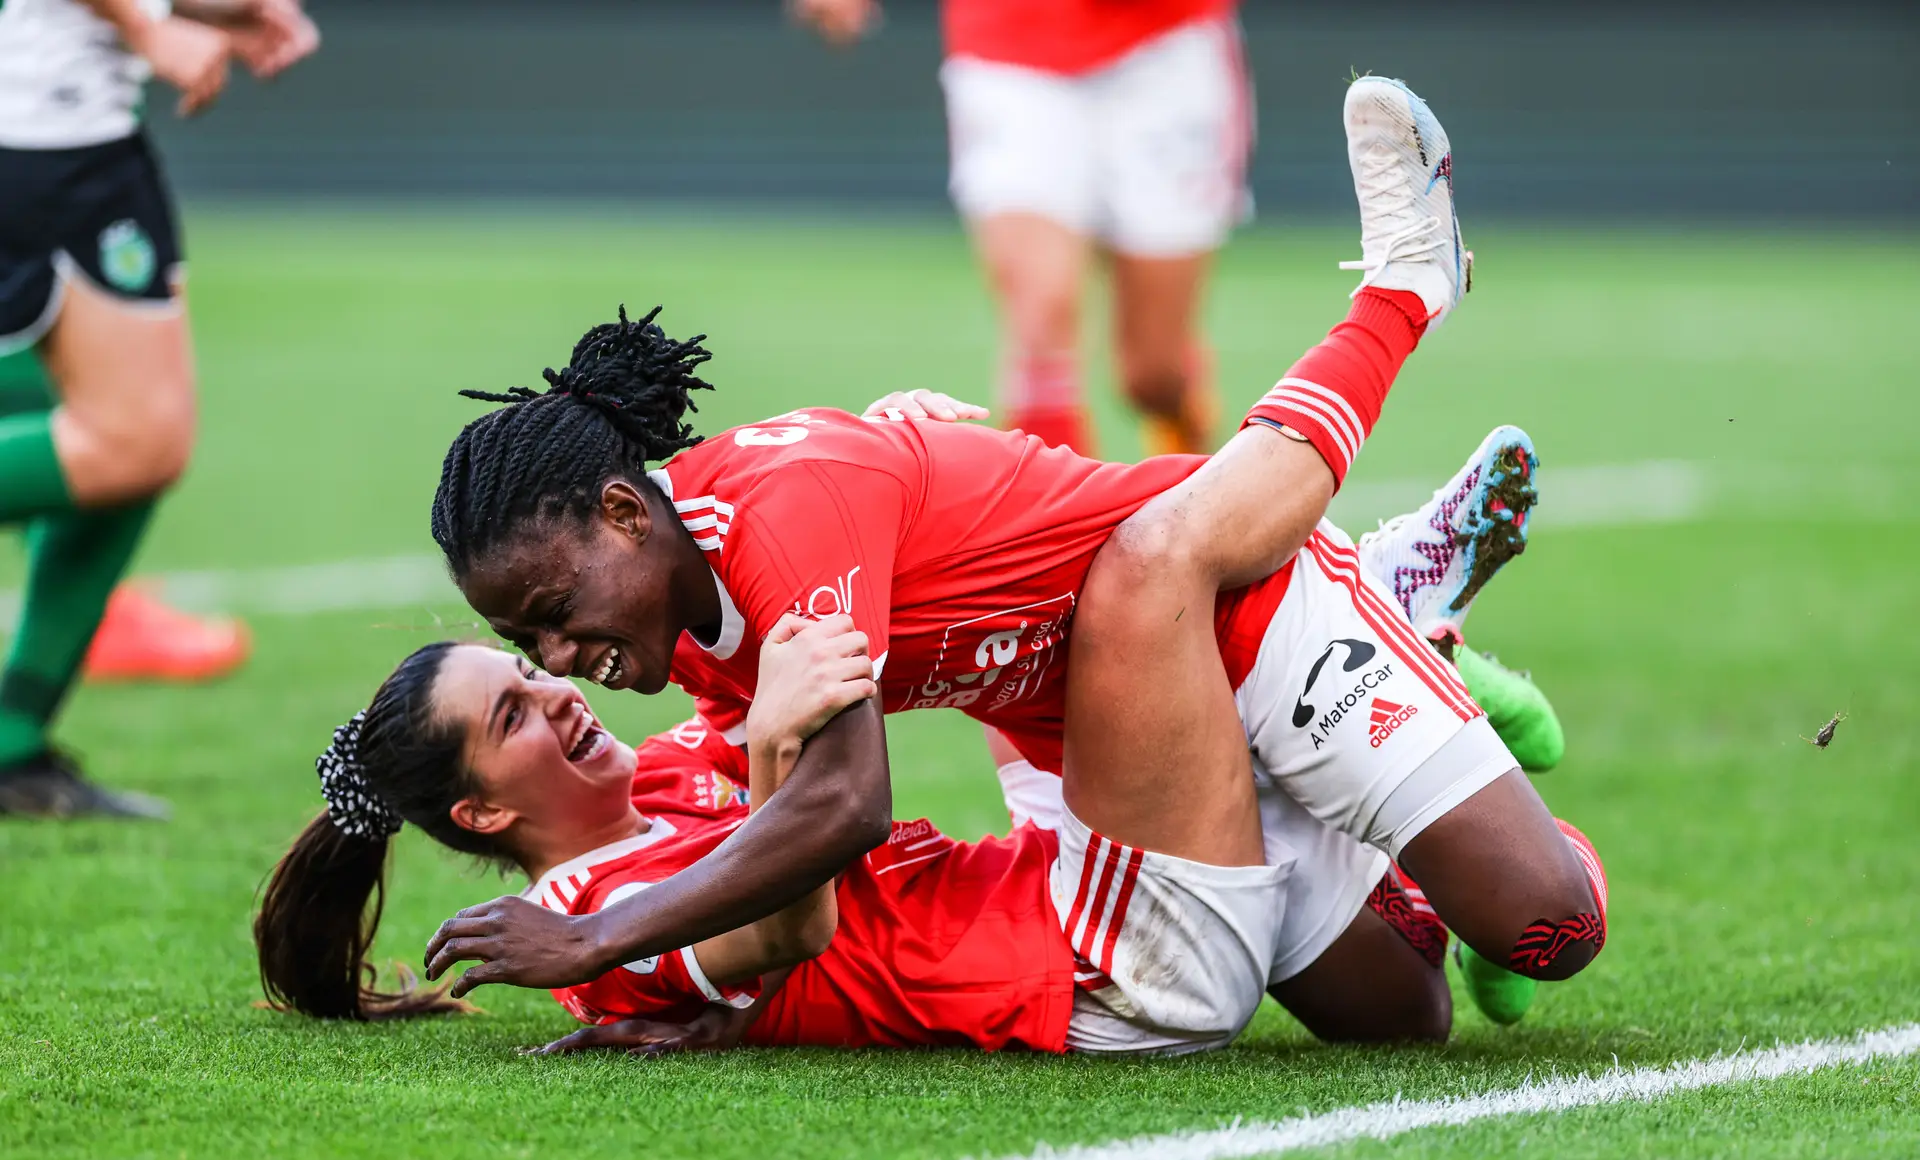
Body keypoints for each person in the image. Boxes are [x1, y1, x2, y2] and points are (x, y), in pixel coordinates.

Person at [419, 78, 1607, 1033]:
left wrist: (591, 938)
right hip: (1097, 719)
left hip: (1222, 604)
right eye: (528, 643)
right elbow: (769, 843)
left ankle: (1405, 289)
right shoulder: (692, 624)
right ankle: (1400, 631)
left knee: (1548, 929)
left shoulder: (777, 517)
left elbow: (843, 803)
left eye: (555, 612)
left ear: (627, 515)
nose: (561, 659)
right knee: (1402, 1018)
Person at [257, 455, 1569, 1049]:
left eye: (531, 674)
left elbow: (772, 743)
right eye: (513, 714)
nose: (556, 693)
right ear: (483, 817)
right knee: (1414, 1008)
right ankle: (1372, 587)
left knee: (1427, 1004)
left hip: (1070, 872)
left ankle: (1357, 610)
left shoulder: (646, 783)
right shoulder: (582, 911)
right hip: (1090, 966)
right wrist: (774, 739)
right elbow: (790, 927)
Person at [0, 0, 317, 817]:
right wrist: (147, 29)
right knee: (134, 438)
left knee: (135, 446)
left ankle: (11, 743)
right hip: (46, 125)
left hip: (60, 120)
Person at [793, 0, 1250, 457]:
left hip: (1165, 47)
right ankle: (1067, 526)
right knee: (1040, 312)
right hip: (1011, 46)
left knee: (1152, 376)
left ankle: (1189, 439)